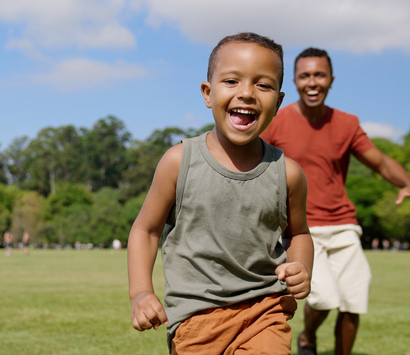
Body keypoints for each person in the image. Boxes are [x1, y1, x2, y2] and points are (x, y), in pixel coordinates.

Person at [128, 32, 314, 355]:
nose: (247, 93)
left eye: (263, 85)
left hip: (264, 310)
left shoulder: (288, 174)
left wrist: (301, 268)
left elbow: (299, 234)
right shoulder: (178, 162)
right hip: (195, 318)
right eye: (231, 81)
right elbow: (146, 229)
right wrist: (141, 293)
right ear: (208, 92)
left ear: (279, 102)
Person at [260, 47, 410, 355]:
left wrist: (409, 183)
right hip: (301, 229)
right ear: (294, 81)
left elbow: (380, 162)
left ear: (331, 79)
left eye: (319, 75)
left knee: (354, 300)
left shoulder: (346, 123)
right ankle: (308, 336)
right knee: (325, 298)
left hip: (343, 225)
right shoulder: (277, 122)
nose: (312, 82)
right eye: (305, 76)